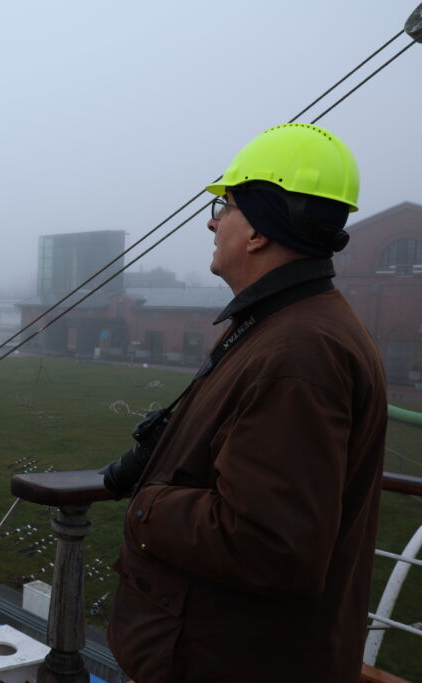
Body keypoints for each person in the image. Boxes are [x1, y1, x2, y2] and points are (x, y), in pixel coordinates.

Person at [102, 123, 388, 683]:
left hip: (231, 661)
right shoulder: (287, 324)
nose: (212, 221)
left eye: (225, 207)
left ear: (258, 230)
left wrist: (147, 507)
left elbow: (268, 544)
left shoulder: (299, 351)